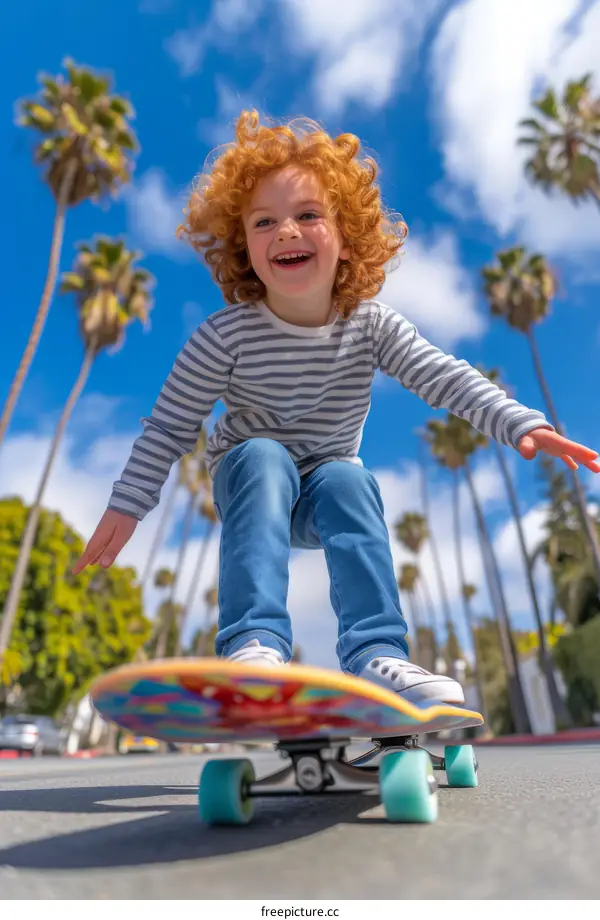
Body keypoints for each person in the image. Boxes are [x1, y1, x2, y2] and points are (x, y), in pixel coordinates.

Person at [73, 110, 600, 706]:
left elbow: (442, 375)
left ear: (347, 239)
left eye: (307, 215)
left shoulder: (370, 326)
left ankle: (378, 655)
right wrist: (127, 505)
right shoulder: (224, 337)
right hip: (251, 485)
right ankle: (253, 648)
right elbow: (169, 428)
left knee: (347, 476)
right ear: (244, 246)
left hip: (325, 496)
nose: (286, 231)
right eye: (264, 221)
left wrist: (521, 421)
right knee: (263, 456)